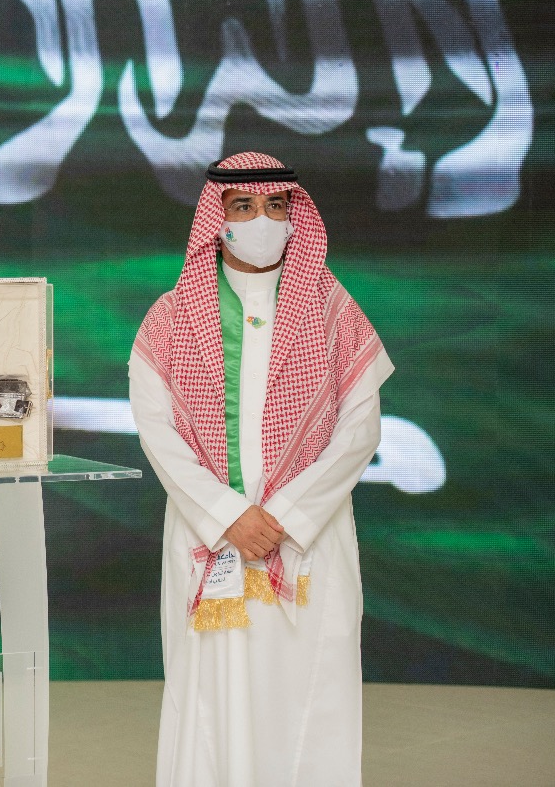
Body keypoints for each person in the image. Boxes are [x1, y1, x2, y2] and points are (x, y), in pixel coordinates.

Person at [129, 152, 392, 786]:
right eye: (243, 207)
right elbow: (158, 433)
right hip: (210, 540)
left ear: (295, 217)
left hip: (309, 540)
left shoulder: (332, 310)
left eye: (275, 206)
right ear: (215, 220)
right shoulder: (172, 317)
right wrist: (229, 516)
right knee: (210, 703)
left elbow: (360, 429)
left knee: (309, 698)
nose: (262, 220)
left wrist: (285, 516)